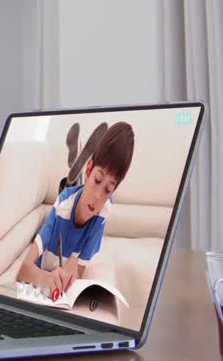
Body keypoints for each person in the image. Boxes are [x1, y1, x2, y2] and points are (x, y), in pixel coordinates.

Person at [16, 122, 135, 295]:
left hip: (74, 209)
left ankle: (76, 165)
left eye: (108, 190)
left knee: (80, 199)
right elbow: (23, 271)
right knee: (68, 197)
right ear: (89, 169)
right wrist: (45, 278)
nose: (98, 196)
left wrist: (72, 269)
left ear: (113, 191)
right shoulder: (62, 206)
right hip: (62, 216)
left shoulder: (103, 211)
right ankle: (75, 172)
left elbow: (79, 271)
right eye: (97, 180)